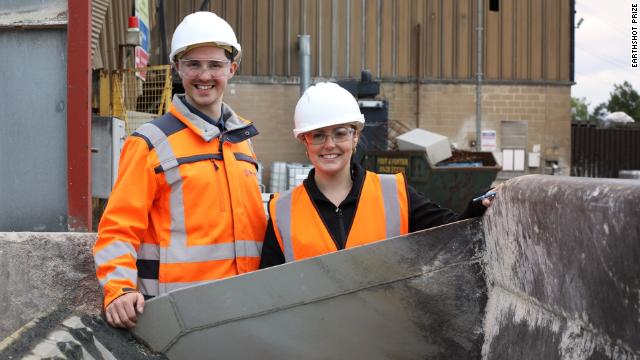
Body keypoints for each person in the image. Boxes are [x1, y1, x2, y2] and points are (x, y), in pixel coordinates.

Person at [93, 11, 267, 328]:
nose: (204, 75)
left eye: (215, 65)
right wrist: (119, 289)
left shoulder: (243, 142)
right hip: (176, 318)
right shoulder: (149, 144)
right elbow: (118, 229)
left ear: (232, 69)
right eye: (193, 64)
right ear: (177, 68)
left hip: (242, 310)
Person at [260, 82, 496, 268]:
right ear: (305, 141)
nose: (329, 144)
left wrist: (475, 207)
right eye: (318, 135)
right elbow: (267, 291)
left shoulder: (395, 194)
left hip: (385, 328)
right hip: (310, 330)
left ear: (355, 137)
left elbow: (452, 230)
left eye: (340, 133)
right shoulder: (283, 211)